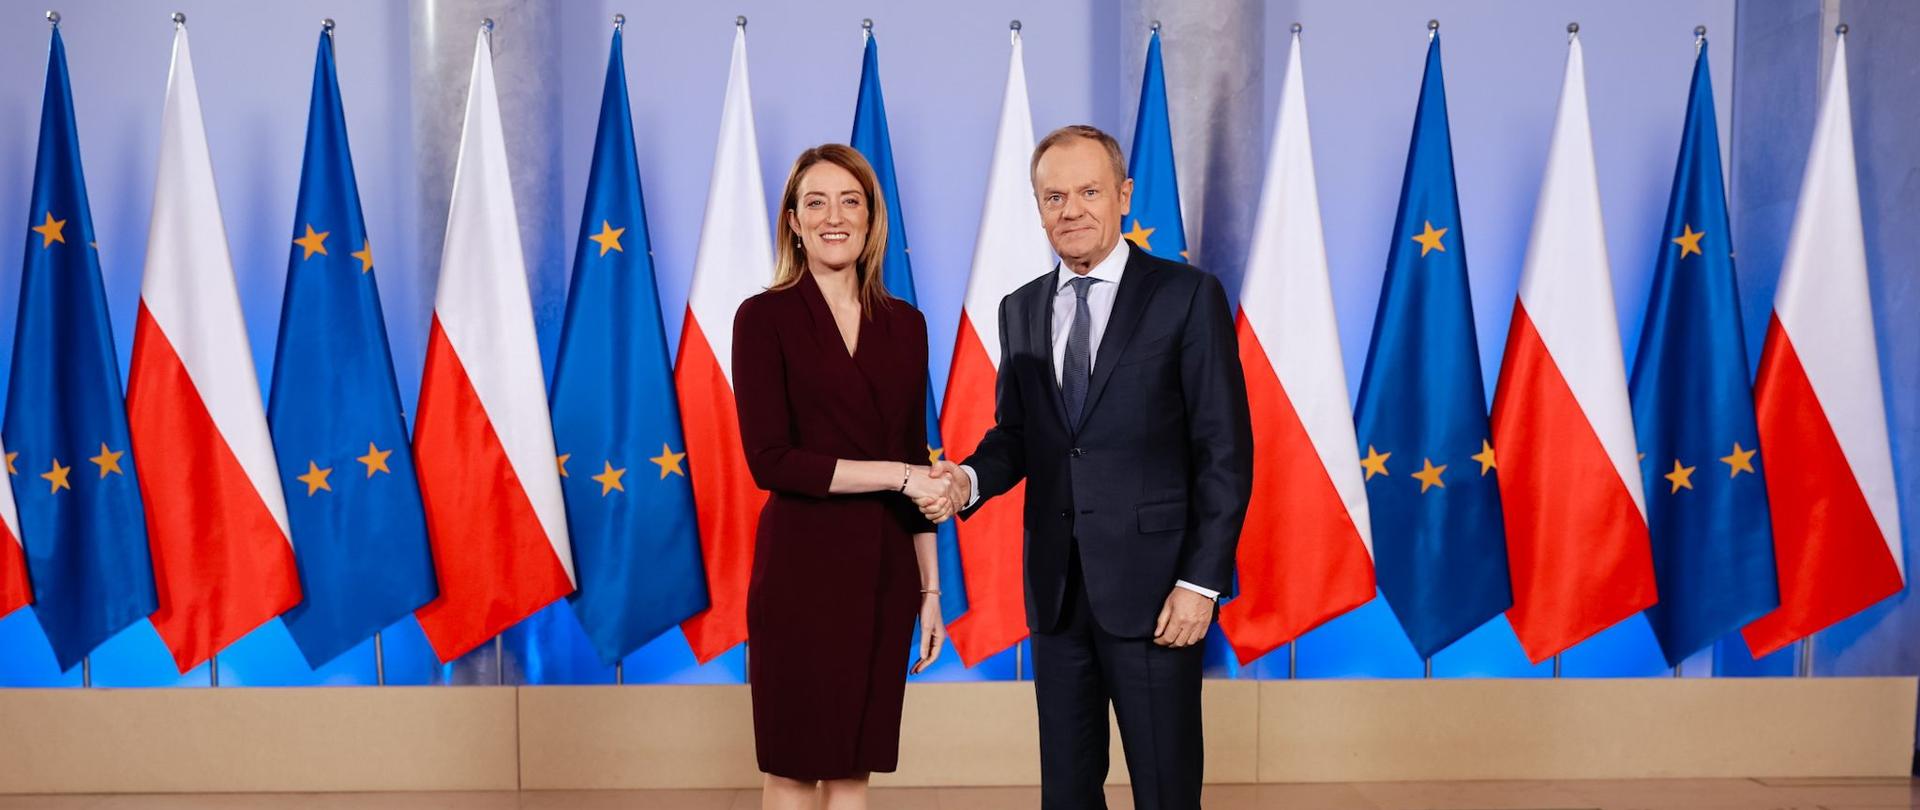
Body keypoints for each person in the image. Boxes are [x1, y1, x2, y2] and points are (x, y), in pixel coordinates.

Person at [921, 125, 1253, 810]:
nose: (1070, 210)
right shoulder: (1020, 308)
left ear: (1123, 196)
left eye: (1089, 191)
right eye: (1053, 196)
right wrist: (969, 480)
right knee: (1066, 793)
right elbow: (1016, 437)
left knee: (1165, 790)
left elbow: (1224, 451)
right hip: (1056, 591)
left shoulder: (1187, 296)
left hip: (1160, 593)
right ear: (1038, 207)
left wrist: (1201, 582)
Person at [732, 144, 950, 810]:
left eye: (850, 201)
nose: (834, 216)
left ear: (871, 218)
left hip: (885, 572)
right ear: (793, 222)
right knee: (793, 769)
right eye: (816, 202)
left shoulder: (906, 326)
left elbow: (917, 456)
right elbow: (771, 460)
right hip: (802, 570)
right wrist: (900, 475)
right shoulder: (762, 318)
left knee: (855, 769)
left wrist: (931, 589)